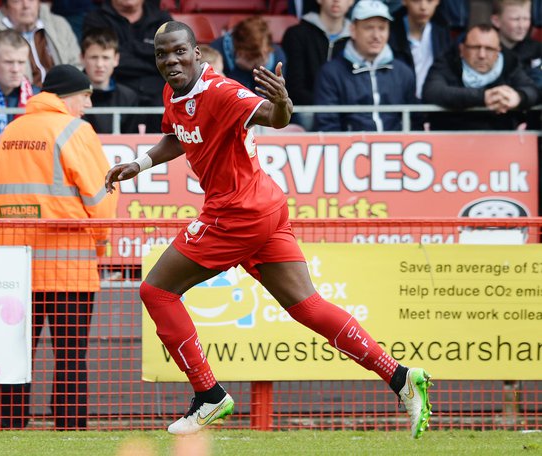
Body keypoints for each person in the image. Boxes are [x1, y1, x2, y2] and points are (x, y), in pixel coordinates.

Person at [105, 20, 433, 439]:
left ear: (197, 53)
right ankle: (400, 377)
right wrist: (140, 164)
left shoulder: (221, 90)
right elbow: (178, 136)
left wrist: (282, 102)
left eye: (179, 52)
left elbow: (274, 118)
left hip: (236, 213)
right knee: (307, 306)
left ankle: (209, 395)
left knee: (156, 291)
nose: (170, 60)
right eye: (162, 54)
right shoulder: (174, 92)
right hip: (264, 207)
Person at [0, 64, 117, 430]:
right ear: (67, 96)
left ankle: (10, 425)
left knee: (16, 356)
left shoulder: (11, 131)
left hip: (15, 268)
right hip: (69, 266)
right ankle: (69, 427)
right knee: (70, 357)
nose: (88, 105)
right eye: (86, 96)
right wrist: (101, 244)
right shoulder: (76, 130)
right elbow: (101, 197)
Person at [313, 0, 418, 132]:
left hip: (398, 151)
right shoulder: (330, 73)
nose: (376, 36)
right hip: (349, 150)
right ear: (353, 30)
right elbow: (327, 126)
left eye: (382, 28)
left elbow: (415, 122)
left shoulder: (403, 72)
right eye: (368, 27)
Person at [422, 23, 539, 130]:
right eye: (475, 47)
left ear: (498, 52)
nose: (482, 55)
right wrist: (484, 97)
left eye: (489, 49)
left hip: (500, 143)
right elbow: (432, 91)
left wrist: (518, 97)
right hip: (451, 140)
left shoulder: (510, 63)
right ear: (462, 49)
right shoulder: (447, 62)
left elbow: (533, 90)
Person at [83, 0, 172, 133]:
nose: (99, 62)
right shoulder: (96, 18)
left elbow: (170, 58)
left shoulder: (162, 19)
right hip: (113, 94)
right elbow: (103, 56)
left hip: (159, 95)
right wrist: (150, 54)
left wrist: (130, 47)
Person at [281, 0, 354, 130]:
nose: (336, 1)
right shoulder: (296, 34)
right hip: (307, 111)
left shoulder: (356, 39)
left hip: (346, 112)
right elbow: (294, 87)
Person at [0, 0, 81, 87]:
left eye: (31, 0)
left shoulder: (58, 24)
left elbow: (77, 64)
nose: (26, 5)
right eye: (17, 1)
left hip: (63, 96)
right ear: (5, 7)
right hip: (24, 99)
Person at [81, 27, 139, 134]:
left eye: (105, 58)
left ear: (116, 59)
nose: (99, 64)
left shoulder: (129, 97)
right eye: (94, 57)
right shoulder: (72, 96)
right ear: (82, 58)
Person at [389, 0, 452, 99]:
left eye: (429, 1)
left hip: (435, 103)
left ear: (437, 1)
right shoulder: (391, 33)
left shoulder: (443, 33)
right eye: (416, 0)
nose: (423, 7)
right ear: (404, 1)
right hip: (402, 102)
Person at [210, 16, 287, 96]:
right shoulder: (217, 50)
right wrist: (241, 70)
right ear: (239, 49)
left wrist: (262, 75)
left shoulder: (276, 55)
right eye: (253, 55)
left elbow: (269, 100)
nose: (259, 59)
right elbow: (228, 96)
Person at [491, 0, 542, 89]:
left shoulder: (537, 50)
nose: (521, 26)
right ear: (496, 21)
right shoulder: (485, 50)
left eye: (526, 19)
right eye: (515, 19)